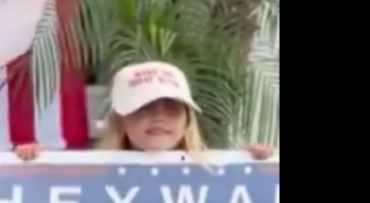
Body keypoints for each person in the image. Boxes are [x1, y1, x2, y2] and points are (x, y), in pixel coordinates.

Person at [15, 61, 278, 160]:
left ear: (188, 120)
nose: (159, 117)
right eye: (143, 107)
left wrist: (265, 169)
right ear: (121, 120)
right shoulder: (86, 176)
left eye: (172, 108)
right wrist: (32, 170)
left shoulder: (221, 176)